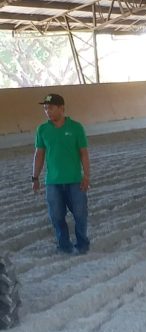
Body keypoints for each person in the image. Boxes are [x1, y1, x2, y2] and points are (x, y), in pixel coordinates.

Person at [32, 93, 91, 255]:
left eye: (50, 108)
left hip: (74, 180)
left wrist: (86, 176)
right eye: (45, 109)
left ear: (62, 108)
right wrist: (35, 177)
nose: (47, 111)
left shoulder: (76, 128)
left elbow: (83, 153)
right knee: (57, 216)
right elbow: (39, 155)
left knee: (80, 214)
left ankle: (82, 244)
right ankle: (64, 245)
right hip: (53, 182)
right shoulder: (42, 130)